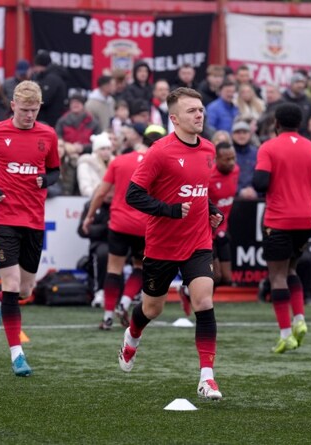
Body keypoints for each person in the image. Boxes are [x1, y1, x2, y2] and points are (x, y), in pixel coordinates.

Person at [120, 87, 224, 400]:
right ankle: (132, 335)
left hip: (198, 241)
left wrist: (212, 210)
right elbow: (133, 195)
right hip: (162, 244)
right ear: (174, 119)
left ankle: (207, 378)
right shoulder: (159, 152)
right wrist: (169, 210)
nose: (199, 114)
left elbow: (199, 190)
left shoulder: (208, 149)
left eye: (201, 109)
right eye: (192, 111)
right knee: (153, 308)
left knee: (203, 302)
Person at [0, 81, 60, 376]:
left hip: (34, 219)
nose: (29, 115)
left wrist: (47, 180)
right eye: (24, 110)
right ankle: (17, 356)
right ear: (13, 106)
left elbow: (55, 170)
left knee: (23, 290)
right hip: (4, 217)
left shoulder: (48, 134)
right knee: (10, 283)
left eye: (34, 110)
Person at [252, 103, 311, 353]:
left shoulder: (269, 147)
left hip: (278, 220)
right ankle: (300, 318)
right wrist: (304, 187)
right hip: (305, 220)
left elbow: (259, 183)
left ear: (276, 123)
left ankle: (286, 334)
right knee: (292, 270)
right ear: (300, 123)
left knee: (277, 276)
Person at [81, 129, 154, 330]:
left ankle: (107, 317)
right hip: (144, 225)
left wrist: (89, 217)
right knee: (140, 267)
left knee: (114, 269)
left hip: (120, 223)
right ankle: (125, 301)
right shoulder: (157, 163)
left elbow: (100, 192)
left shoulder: (119, 160)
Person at [208, 142, 240, 287]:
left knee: (227, 278)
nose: (231, 163)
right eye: (227, 159)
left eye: (233, 158)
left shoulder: (236, 171)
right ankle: (195, 298)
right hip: (207, 230)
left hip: (222, 228)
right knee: (215, 276)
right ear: (217, 159)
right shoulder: (208, 175)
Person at [77, 132, 114, 197]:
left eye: (108, 148)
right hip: (92, 200)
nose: (106, 152)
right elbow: (85, 187)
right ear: (96, 150)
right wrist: (97, 194)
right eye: (102, 149)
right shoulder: (85, 164)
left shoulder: (113, 163)